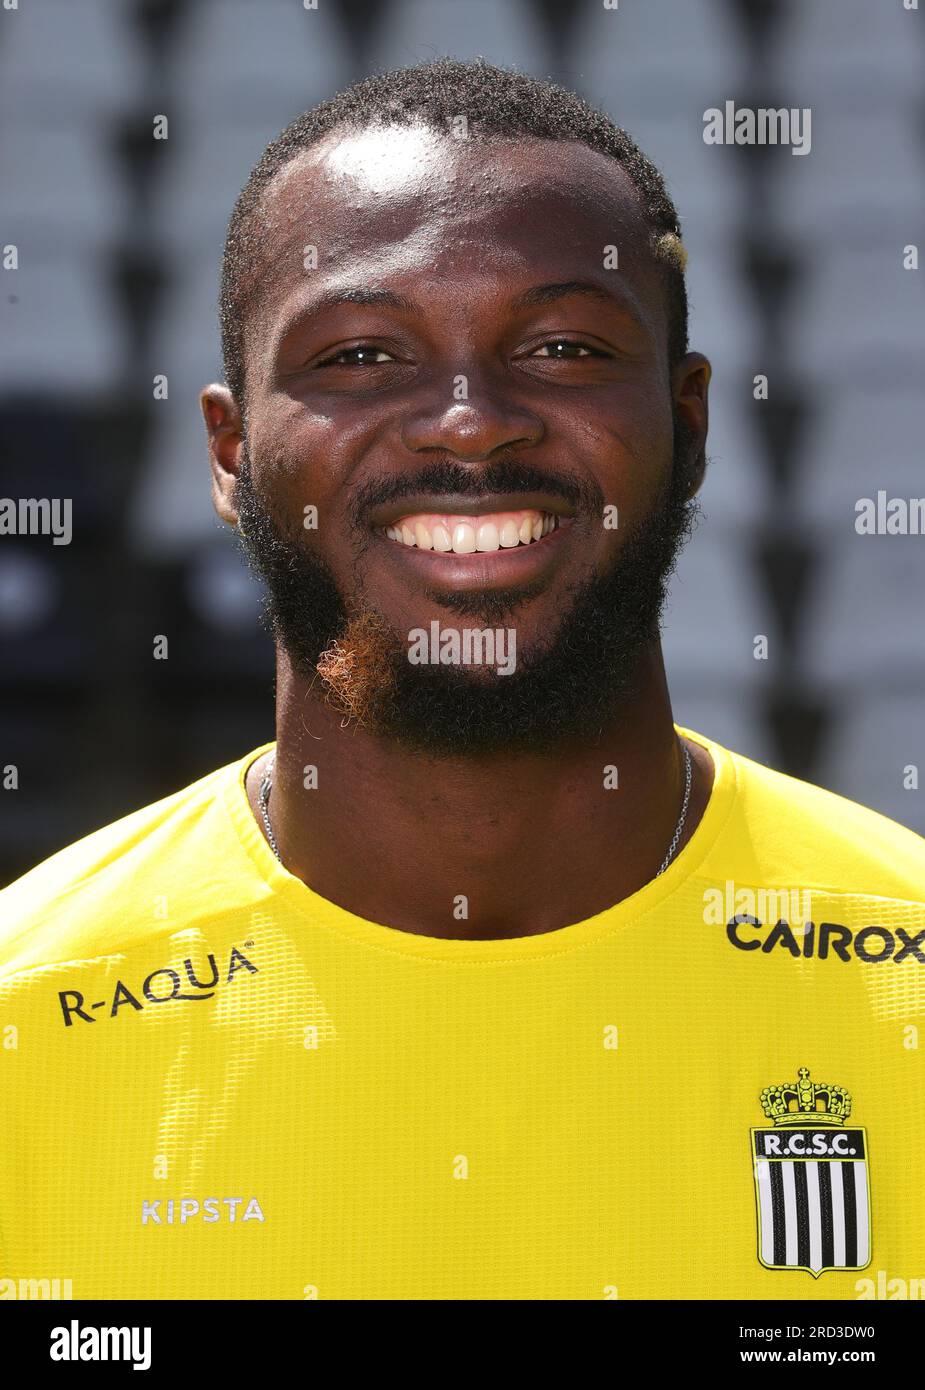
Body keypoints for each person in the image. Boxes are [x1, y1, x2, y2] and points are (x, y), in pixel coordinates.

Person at [1, 59, 922, 1301]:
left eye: (560, 344)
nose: (469, 421)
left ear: (688, 423)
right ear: (229, 454)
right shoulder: (29, 1020)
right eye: (363, 352)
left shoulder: (899, 973)